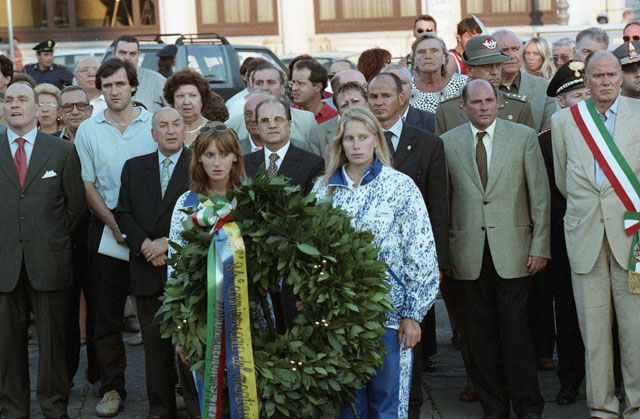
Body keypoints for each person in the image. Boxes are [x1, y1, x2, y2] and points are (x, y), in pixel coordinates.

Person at [312, 107, 438, 419]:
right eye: (349, 138)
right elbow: (312, 251)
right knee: (348, 403)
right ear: (340, 143)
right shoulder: (324, 190)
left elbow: (420, 250)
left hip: (389, 315)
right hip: (339, 316)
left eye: (363, 137)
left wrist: (413, 315)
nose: (356, 145)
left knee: (386, 403)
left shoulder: (400, 186)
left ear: (376, 140)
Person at [441, 79, 550, 419]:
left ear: (498, 102)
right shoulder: (447, 143)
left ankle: (528, 407)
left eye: (489, 100)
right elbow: (444, 202)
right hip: (467, 254)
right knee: (478, 337)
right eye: (476, 102)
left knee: (516, 334)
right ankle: (494, 408)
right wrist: (445, 255)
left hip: (515, 252)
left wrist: (540, 246)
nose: (484, 107)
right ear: (463, 106)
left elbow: (540, 197)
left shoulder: (523, 137)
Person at [552, 49, 640, 419]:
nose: (606, 81)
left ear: (621, 77)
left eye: (612, 74)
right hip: (586, 237)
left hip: (632, 238)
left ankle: (636, 406)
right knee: (594, 331)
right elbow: (563, 180)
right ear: (586, 80)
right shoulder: (564, 122)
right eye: (598, 75)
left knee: (635, 331)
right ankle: (602, 408)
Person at [75, 58, 157, 417]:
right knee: (106, 315)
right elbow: (87, 184)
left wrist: (143, 232)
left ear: (133, 86)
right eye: (107, 86)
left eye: (120, 84)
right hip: (106, 228)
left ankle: (163, 389)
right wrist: (112, 225)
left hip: (150, 232)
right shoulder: (88, 130)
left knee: (156, 314)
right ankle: (112, 388)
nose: (114, 91)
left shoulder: (153, 123)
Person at [0, 81, 85, 418]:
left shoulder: (61, 151)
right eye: (9, 100)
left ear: (38, 109)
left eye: (22, 99)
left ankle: (54, 407)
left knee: (53, 344)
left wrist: (50, 238)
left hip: (49, 262)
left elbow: (75, 207)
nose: (14, 105)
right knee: (7, 346)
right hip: (4, 263)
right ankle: (13, 409)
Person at [367, 72, 448, 419]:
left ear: (402, 97)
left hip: (412, 263)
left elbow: (439, 207)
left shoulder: (427, 143)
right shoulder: (358, 142)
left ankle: (411, 407)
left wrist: (438, 264)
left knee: (411, 340)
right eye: (373, 96)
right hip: (369, 267)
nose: (378, 102)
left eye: (385, 95)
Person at [115, 107, 192, 419]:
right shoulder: (134, 167)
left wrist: (168, 244)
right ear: (153, 133)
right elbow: (123, 212)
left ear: (185, 130)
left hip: (186, 272)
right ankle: (160, 408)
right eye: (163, 125)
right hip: (146, 268)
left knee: (191, 344)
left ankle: (197, 407)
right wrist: (145, 245)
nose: (170, 130)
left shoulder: (199, 165)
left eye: (176, 124)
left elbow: (205, 213)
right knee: (155, 347)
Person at [537, 60, 589, 406]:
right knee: (568, 313)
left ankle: (614, 379)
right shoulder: (545, 142)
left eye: (587, 94)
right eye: (576, 96)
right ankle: (570, 380)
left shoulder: (609, 132)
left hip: (606, 235)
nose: (584, 101)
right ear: (560, 101)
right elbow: (545, 195)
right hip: (565, 238)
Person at [53, 85, 101, 394]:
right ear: (59, 113)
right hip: (61, 239)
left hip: (97, 233)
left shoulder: (100, 141)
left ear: (90, 110)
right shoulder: (49, 146)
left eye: (80, 106)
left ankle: (99, 375)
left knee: (99, 308)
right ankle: (65, 375)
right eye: (68, 107)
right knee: (64, 312)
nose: (75, 112)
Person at [435, 35, 535, 135]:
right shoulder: (447, 109)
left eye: (498, 65)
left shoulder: (518, 107)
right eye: (487, 66)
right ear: (470, 70)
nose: (495, 72)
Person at [244, 97, 323, 195]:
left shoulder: (313, 164)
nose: (272, 125)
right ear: (258, 128)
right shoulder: (244, 164)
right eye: (264, 120)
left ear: (289, 124)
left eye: (278, 119)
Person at [226, 62, 317, 141]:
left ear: (282, 89)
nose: (264, 87)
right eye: (259, 83)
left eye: (270, 82)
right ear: (252, 89)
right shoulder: (234, 125)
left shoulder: (306, 121)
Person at [494, 30, 556, 132]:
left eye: (515, 49)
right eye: (504, 50)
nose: (511, 55)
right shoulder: (482, 88)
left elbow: (548, 133)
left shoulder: (544, 88)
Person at [307, 81, 369, 158]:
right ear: (338, 111)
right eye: (344, 105)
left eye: (355, 101)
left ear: (367, 103)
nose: (350, 107)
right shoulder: (318, 134)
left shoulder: (380, 125)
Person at [410, 34, 468, 113]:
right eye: (421, 52)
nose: (428, 56)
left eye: (434, 51)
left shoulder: (464, 84)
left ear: (444, 58)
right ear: (414, 60)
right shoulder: (406, 88)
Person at [113, 34, 166, 112]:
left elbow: (175, 111)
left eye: (132, 54)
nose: (127, 58)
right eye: (123, 53)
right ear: (114, 53)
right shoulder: (104, 81)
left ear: (138, 55)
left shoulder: (156, 80)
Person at [163, 68, 212, 147]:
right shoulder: (164, 132)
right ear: (173, 100)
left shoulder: (216, 131)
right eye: (180, 96)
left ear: (202, 99)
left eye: (193, 96)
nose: (186, 102)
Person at [381, 64, 436, 133]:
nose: (399, 88)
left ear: (411, 87)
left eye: (403, 83)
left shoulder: (431, 121)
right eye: (392, 82)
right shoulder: (371, 121)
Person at [291, 59, 338, 124]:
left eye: (301, 84)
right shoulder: (288, 116)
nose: (294, 88)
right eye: (293, 83)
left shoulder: (334, 118)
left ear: (318, 87)